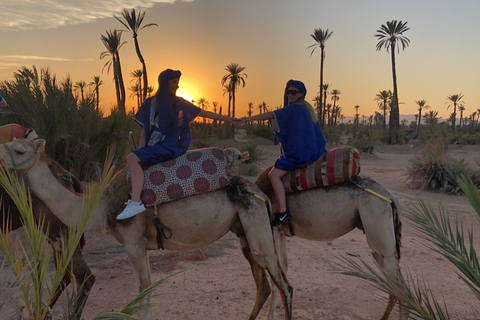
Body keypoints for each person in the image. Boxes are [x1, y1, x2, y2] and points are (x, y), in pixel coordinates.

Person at [117, 68, 240, 220]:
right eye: (174, 82)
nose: (177, 86)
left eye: (178, 82)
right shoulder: (150, 104)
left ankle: (135, 202)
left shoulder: (179, 103)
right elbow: (145, 129)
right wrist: (142, 150)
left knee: (131, 158)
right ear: (164, 83)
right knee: (135, 159)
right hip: (155, 145)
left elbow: (203, 113)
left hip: (171, 145)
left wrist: (229, 119)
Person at [240, 79, 326, 226]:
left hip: (301, 154)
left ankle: (282, 211)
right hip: (315, 150)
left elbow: (272, 115)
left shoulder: (295, 108)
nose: (290, 95)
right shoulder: (307, 109)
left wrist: (248, 118)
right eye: (288, 92)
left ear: (301, 94)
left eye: (293, 92)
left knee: (273, 175)